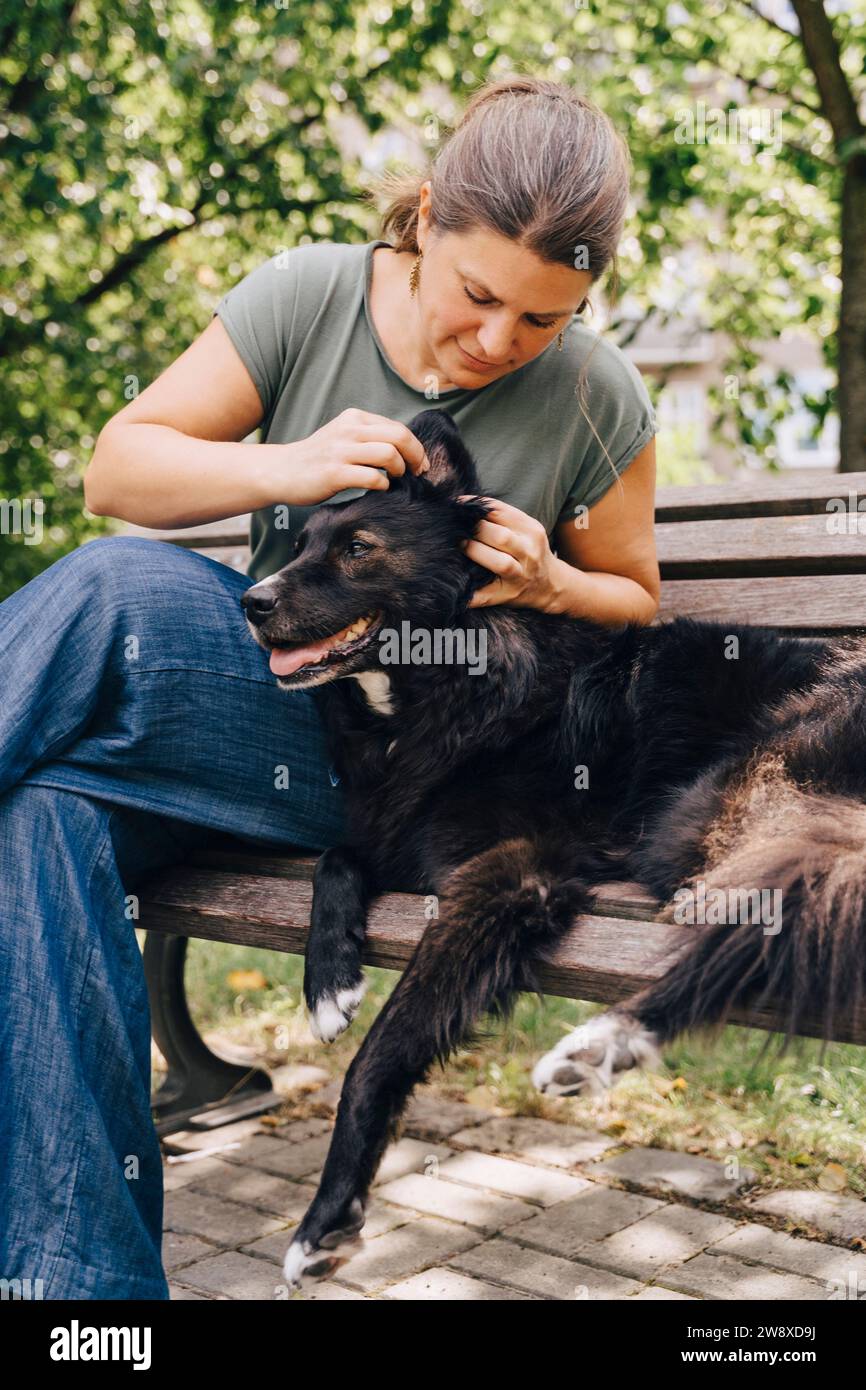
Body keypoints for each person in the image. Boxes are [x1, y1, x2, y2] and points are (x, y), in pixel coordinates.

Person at [0, 74, 660, 1300]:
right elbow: (115, 470)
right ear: (419, 222)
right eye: (478, 297)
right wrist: (289, 462)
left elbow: (636, 596)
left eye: (541, 319)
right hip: (249, 701)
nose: (498, 342)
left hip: (407, 777)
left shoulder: (592, 393)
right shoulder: (308, 293)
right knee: (58, 770)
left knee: (97, 642)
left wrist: (554, 581)